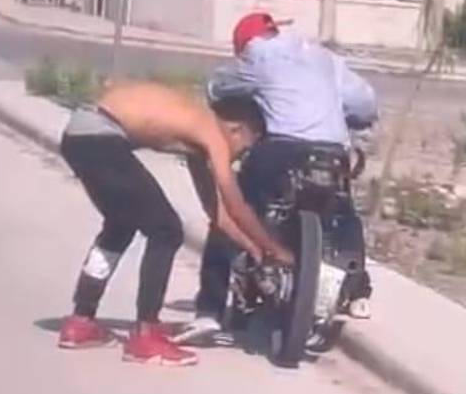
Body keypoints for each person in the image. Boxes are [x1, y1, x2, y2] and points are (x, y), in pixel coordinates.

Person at [174, 12, 378, 346]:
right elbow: (365, 104)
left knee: (232, 212)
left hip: (281, 150)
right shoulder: (324, 56)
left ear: (244, 44)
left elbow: (217, 88)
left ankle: (209, 311)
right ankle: (358, 293)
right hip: (332, 151)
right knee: (342, 212)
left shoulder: (257, 56)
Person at [58, 80, 293, 367]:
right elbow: (235, 204)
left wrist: (254, 249)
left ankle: (80, 323)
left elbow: (217, 213)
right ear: (237, 129)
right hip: (101, 135)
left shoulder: (196, 137)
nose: (240, 157)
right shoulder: (212, 130)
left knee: (120, 225)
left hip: (78, 134)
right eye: (245, 148)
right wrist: (274, 248)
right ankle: (145, 335)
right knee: (166, 230)